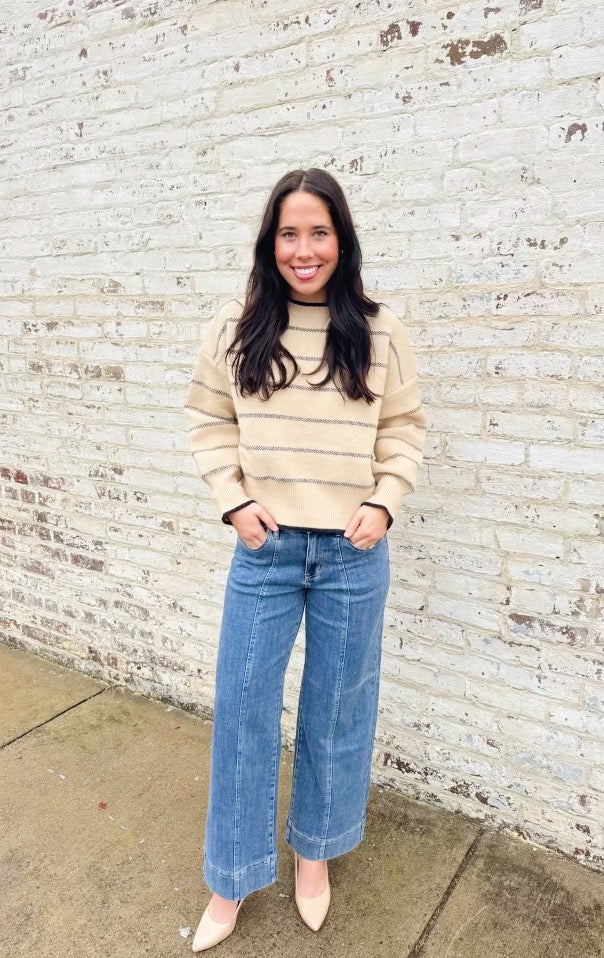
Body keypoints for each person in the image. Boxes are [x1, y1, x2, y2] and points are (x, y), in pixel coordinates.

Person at [183, 168, 426, 951]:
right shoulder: (236, 325)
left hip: (354, 552)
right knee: (243, 707)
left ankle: (313, 855)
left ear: (341, 240)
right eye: (289, 233)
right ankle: (231, 876)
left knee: (338, 710)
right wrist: (234, 500)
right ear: (270, 242)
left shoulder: (380, 331)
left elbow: (405, 428)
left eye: (319, 232)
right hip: (267, 549)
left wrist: (384, 501)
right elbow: (209, 422)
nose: (304, 249)